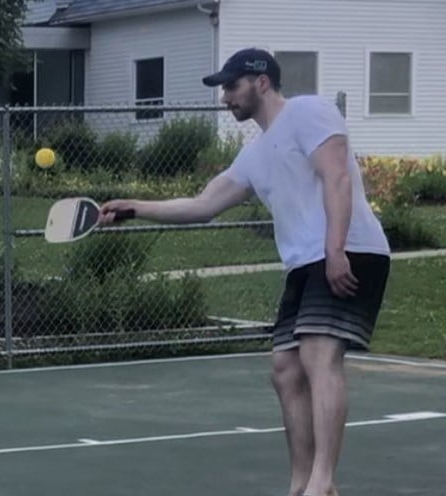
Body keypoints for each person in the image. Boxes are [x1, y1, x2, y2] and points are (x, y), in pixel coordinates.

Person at [98, 48, 390, 496]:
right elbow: (201, 205)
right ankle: (300, 482)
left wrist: (335, 250)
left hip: (349, 249)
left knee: (317, 356)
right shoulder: (255, 155)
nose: (225, 98)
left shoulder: (309, 111)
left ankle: (323, 483)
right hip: (304, 264)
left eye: (231, 86)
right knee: (285, 369)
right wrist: (134, 207)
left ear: (262, 82)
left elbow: (337, 177)